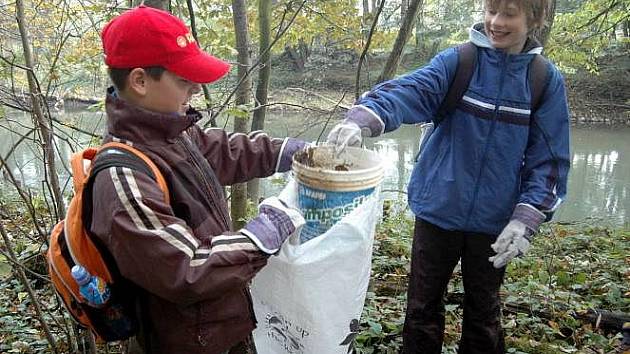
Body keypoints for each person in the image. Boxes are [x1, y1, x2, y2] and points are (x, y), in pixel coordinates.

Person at [328, 0, 570, 353]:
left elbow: (549, 161)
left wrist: (525, 219)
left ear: (534, 18)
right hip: (437, 210)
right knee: (422, 309)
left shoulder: (543, 81)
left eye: (509, 14)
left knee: (483, 314)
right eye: (491, 10)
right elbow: (412, 91)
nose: (495, 22)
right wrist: (363, 118)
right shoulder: (460, 62)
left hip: (495, 222)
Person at [91, 5, 307, 354]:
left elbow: (225, 151)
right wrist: (260, 236)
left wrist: (291, 152)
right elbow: (185, 266)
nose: (194, 88)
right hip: (184, 341)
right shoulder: (123, 177)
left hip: (219, 325)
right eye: (183, 80)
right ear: (140, 81)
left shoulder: (171, 133)